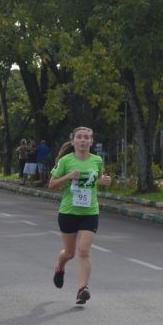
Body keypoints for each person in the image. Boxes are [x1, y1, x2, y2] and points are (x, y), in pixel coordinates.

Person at [48, 126, 112, 305]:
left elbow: (96, 179)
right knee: (69, 253)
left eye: (87, 137)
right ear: (73, 140)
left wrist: (104, 181)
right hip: (68, 212)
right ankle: (60, 266)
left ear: (91, 141)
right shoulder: (65, 161)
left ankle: (82, 289)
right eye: (80, 137)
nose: (83, 140)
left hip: (90, 212)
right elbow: (51, 184)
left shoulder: (97, 160)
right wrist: (68, 176)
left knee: (83, 251)